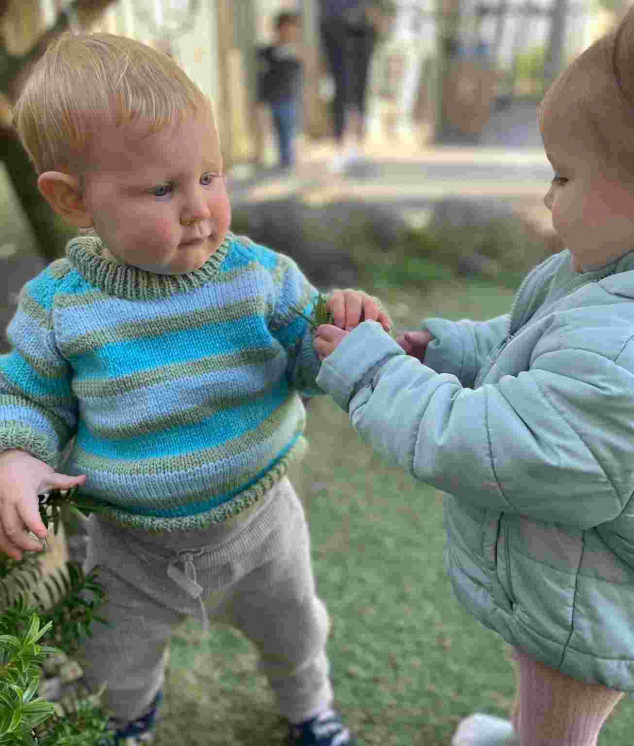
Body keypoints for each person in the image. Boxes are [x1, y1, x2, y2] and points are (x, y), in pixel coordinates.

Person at [313, 0, 634, 743]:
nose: (547, 197)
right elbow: (531, 344)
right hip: (570, 578)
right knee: (539, 708)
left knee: (557, 727)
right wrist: (442, 350)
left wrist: (375, 374)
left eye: (562, 176)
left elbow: (485, 443)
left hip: (599, 609)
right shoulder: (630, 269)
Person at [1, 32, 392, 746]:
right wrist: (18, 457)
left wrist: (341, 326)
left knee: (296, 628)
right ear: (71, 198)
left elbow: (310, 357)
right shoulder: (60, 306)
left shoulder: (257, 275)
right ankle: (130, 721)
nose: (199, 208)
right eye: (162, 188)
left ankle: (311, 710)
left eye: (210, 176)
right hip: (130, 547)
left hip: (263, 526)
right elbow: (26, 398)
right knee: (113, 663)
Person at [317, 0, 378, 174]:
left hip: (361, 26)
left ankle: (357, 147)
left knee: (359, 88)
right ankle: (341, 148)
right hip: (335, 25)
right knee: (341, 88)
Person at [257, 11, 304, 170]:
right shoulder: (269, 51)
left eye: (291, 29)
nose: (288, 32)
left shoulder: (294, 51)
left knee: (288, 129)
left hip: (288, 97)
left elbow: (297, 72)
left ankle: (287, 161)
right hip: (273, 97)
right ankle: (283, 160)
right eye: (285, 28)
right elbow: (264, 74)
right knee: (277, 130)